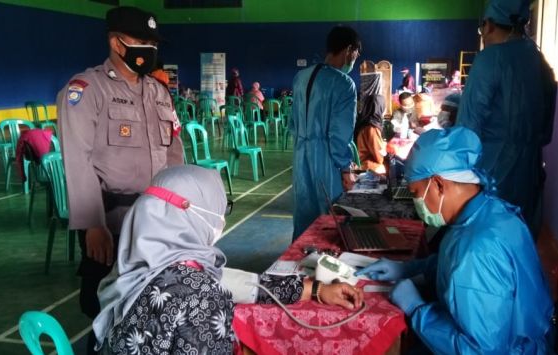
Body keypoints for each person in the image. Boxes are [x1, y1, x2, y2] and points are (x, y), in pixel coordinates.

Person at [94, 165, 364, 354]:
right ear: (192, 215)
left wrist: (313, 289)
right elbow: (207, 291)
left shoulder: (133, 269)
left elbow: (227, 281)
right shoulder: (200, 296)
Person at [356, 127, 554, 354]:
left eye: (416, 192)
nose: (415, 201)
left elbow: (481, 351)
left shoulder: (476, 251)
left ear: (439, 184)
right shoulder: (486, 211)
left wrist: (417, 309)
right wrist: (407, 269)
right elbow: (450, 265)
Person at [56, 6, 183, 353]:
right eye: (142, 41)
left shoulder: (158, 93)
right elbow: (77, 160)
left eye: (152, 42)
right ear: (117, 42)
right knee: (104, 308)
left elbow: (175, 153)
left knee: (152, 303)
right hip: (110, 223)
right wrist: (92, 225)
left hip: (156, 221)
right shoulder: (86, 90)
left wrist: (180, 209)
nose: (150, 49)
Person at [457, 0, 556, 237]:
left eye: (482, 29)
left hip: (490, 174)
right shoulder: (541, 64)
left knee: (484, 244)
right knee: (518, 241)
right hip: (529, 174)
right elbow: (546, 133)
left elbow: (467, 130)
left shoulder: (489, 59)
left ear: (489, 25)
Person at [289, 25, 361, 239]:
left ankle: (297, 264)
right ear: (349, 50)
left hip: (300, 157)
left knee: (303, 214)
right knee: (330, 218)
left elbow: (293, 123)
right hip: (327, 160)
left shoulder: (300, 77)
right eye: (356, 54)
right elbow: (339, 134)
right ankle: (328, 268)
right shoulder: (344, 84)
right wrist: (345, 169)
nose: (354, 59)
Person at [354, 94, 387, 174]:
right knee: (387, 168)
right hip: (366, 164)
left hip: (359, 161)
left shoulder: (364, 121)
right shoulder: (372, 127)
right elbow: (379, 157)